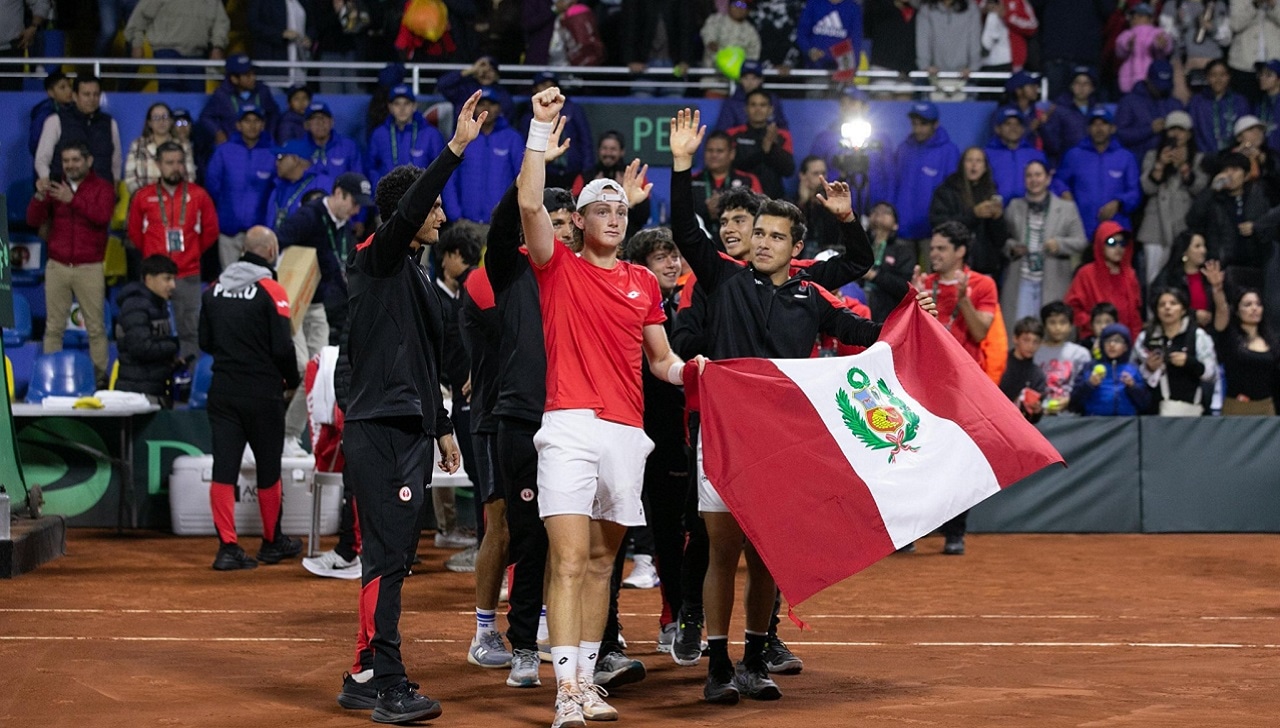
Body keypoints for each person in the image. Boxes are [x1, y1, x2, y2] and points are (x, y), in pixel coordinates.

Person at [518, 89, 691, 728]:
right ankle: (563, 692)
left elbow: (662, 362)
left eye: (621, 208)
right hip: (568, 426)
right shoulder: (555, 266)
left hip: (627, 433)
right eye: (604, 208)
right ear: (582, 218)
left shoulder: (645, 283)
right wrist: (538, 130)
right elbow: (531, 202)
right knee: (566, 560)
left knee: (600, 564)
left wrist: (697, 372)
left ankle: (587, 682)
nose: (616, 217)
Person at [333, 93, 484, 725]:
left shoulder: (420, 277)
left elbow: (425, 364)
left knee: (392, 555)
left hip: (409, 427)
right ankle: (389, 682)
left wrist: (443, 426)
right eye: (432, 207)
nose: (441, 216)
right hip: (383, 431)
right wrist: (454, 150)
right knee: (390, 558)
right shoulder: (378, 258)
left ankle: (366, 671)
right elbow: (412, 209)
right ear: (406, 212)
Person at [198, 225, 301, 572]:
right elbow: (283, 347)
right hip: (263, 394)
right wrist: (293, 380)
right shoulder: (272, 290)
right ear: (271, 251)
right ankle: (272, 543)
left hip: (223, 392)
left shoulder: (214, 290)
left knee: (223, 469)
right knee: (269, 469)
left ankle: (227, 547)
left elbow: (204, 342)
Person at [917, 220, 998, 556]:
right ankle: (912, 529)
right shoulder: (925, 282)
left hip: (965, 382)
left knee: (959, 460)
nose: (933, 254)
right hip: (927, 378)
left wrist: (963, 299)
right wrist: (915, 300)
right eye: (932, 248)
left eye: (941, 249)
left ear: (960, 251)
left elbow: (980, 332)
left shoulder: (982, 284)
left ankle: (955, 532)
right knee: (918, 456)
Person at [278, 173, 372, 455]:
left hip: (317, 305)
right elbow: (278, 243)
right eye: (354, 203)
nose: (357, 211)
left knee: (318, 372)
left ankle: (287, 435)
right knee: (300, 365)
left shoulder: (343, 226)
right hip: (294, 301)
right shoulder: (309, 217)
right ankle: (277, 429)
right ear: (339, 194)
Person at [25, 143, 116, 384]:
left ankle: (99, 381)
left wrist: (72, 199)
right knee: (53, 328)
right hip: (58, 266)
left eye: (75, 160)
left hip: (90, 267)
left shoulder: (103, 188)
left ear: (89, 161)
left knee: (96, 328)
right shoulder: (55, 188)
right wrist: (39, 196)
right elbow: (33, 220)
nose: (70, 165)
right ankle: (50, 377)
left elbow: (102, 217)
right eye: (66, 161)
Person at [127, 141, 219, 362]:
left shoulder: (199, 195)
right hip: (154, 277)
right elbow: (134, 233)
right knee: (153, 328)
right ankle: (159, 377)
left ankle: (190, 378)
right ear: (158, 164)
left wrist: (192, 253)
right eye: (169, 163)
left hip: (188, 273)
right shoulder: (143, 196)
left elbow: (211, 231)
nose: (175, 167)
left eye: (179, 162)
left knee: (191, 329)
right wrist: (153, 258)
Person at [1002, 160, 1088, 326]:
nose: (1034, 180)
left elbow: (1081, 242)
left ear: (1048, 178)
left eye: (1038, 175)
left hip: (1053, 279)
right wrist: (1012, 248)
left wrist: (1060, 244)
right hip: (1021, 280)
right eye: (1029, 175)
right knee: (1019, 331)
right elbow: (1002, 241)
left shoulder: (1067, 208)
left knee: (1050, 330)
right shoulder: (1014, 206)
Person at [1185, 151, 1274, 287]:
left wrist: (1256, 226)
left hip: (1255, 264)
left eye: (1235, 170)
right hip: (1222, 266)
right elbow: (1192, 220)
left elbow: (1271, 224)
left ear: (1246, 175)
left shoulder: (1259, 195)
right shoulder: (1213, 198)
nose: (1229, 174)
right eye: (1226, 170)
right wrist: (1211, 190)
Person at [1137, 111, 1206, 284]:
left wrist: (1184, 168)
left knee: (1183, 278)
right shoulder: (1152, 156)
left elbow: (1200, 189)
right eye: (1172, 130)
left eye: (1181, 130)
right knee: (1153, 279)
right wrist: (1160, 166)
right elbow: (1147, 188)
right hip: (1155, 228)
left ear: (1189, 134)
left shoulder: (1198, 158)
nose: (1176, 134)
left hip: (1183, 224)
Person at [1056, 107, 1142, 242]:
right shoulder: (1074, 155)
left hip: (1116, 230)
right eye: (1094, 124)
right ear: (1088, 129)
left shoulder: (1126, 157)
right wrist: (1064, 192)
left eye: (1104, 123)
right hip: (1080, 230)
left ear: (1112, 128)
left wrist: (1119, 203)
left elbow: (1135, 192)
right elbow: (1058, 181)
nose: (1099, 128)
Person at [206, 105, 276, 270]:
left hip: (260, 234)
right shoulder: (223, 152)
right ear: (238, 125)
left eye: (256, 121)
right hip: (230, 232)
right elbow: (212, 186)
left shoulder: (273, 153)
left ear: (263, 125)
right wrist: (227, 213)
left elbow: (276, 192)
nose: (251, 125)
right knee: (231, 282)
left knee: (258, 282)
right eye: (247, 121)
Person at [1206, 260, 1280, 414]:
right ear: (1238, 311)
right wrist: (1217, 289)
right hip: (1237, 406)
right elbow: (1221, 310)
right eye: (1247, 305)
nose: (1254, 308)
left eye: (1258, 304)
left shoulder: (1271, 340)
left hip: (1266, 406)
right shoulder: (1229, 335)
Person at [929, 146, 1010, 282]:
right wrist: (973, 214)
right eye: (969, 160)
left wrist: (997, 218)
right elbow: (939, 224)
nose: (974, 165)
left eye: (978, 161)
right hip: (953, 268)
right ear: (962, 165)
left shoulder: (992, 193)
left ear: (985, 167)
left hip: (984, 268)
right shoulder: (946, 191)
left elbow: (1000, 239)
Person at [443, 89, 524, 224]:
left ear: (499, 108)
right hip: (466, 223)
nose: (486, 109)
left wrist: (512, 215)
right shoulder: (462, 136)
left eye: (491, 104)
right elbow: (449, 177)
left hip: (501, 223)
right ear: (474, 107)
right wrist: (455, 215)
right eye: (481, 104)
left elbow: (523, 178)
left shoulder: (512, 138)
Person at [1135, 287, 1218, 415]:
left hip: (1190, 410)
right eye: (1162, 305)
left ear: (1183, 309)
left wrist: (1189, 362)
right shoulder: (1145, 338)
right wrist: (1148, 368)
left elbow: (1210, 373)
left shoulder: (1198, 336)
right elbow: (1132, 372)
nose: (1167, 308)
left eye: (1173, 303)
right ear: (1156, 311)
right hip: (1153, 413)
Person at [809, 86, 895, 209]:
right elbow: (814, 173)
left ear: (865, 107)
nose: (847, 106)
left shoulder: (881, 139)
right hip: (835, 207)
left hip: (873, 209)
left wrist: (885, 207)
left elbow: (890, 175)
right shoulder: (824, 138)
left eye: (853, 102)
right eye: (843, 103)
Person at [34, 75, 122, 189]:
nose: (92, 99)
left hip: (102, 197)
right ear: (75, 96)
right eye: (86, 94)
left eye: (96, 94)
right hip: (64, 197)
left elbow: (116, 160)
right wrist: (48, 184)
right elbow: (41, 160)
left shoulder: (110, 123)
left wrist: (114, 186)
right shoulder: (55, 121)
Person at [892, 101, 961, 246]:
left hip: (933, 231)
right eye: (914, 124)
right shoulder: (903, 148)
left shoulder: (949, 151)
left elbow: (952, 192)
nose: (917, 129)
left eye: (923, 124)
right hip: (903, 229)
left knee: (932, 269)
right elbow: (895, 183)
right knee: (903, 269)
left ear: (935, 124)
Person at [125, 0, 230, 92]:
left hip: (197, 54)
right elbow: (139, 18)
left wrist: (218, 46)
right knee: (169, 93)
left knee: (195, 98)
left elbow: (221, 22)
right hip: (166, 50)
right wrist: (136, 44)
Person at [115, 255, 180, 405]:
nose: (173, 285)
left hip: (153, 389)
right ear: (149, 279)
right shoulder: (135, 306)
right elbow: (141, 348)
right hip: (136, 395)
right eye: (167, 279)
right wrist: (172, 346)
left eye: (173, 279)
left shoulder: (158, 304)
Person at [1065, 221, 1144, 337]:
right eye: (1111, 242)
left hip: (1125, 342)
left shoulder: (1130, 274)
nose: (1118, 248)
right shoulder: (1086, 273)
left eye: (1122, 243)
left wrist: (1135, 340)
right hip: (1094, 339)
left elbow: (1135, 313)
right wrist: (1094, 324)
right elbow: (1072, 308)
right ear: (1100, 243)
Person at [518, 72, 593, 191]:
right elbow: (523, 146)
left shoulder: (572, 109)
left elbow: (585, 140)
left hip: (572, 171)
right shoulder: (528, 114)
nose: (548, 89)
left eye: (552, 86)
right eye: (543, 85)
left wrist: (587, 171)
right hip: (545, 172)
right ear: (535, 89)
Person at [367, 84, 445, 191]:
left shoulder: (431, 134)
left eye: (406, 103)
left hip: (420, 201)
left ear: (414, 106)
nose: (402, 109)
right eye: (397, 104)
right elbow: (371, 168)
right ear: (390, 107)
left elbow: (440, 171)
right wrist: (381, 191)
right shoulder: (379, 134)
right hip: (389, 201)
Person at [198, 55, 283, 150]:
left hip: (260, 145)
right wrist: (218, 132)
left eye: (253, 74)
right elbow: (206, 117)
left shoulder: (262, 91)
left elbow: (274, 112)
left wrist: (269, 133)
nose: (253, 78)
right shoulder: (222, 95)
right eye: (248, 76)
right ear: (234, 79)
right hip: (233, 145)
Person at [725, 90, 796, 199]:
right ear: (745, 109)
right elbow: (731, 166)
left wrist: (772, 148)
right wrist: (763, 151)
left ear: (770, 109)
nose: (758, 109)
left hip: (774, 199)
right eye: (753, 105)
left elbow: (788, 170)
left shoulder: (782, 135)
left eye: (763, 105)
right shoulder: (733, 134)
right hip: (741, 197)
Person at [1070, 322, 1152, 415]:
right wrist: (1089, 384)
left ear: (1125, 347)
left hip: (1127, 423)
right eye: (1107, 340)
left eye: (1117, 340)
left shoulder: (1133, 369)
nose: (1112, 344)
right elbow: (1074, 401)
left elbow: (1145, 403)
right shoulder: (1090, 367)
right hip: (1094, 422)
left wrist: (1133, 387)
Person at [691, 132, 763, 233]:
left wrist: (723, 210)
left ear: (732, 154)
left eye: (719, 151)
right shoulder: (691, 181)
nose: (714, 155)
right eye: (710, 150)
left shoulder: (748, 181)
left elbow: (759, 215)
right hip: (700, 242)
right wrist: (706, 212)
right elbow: (681, 217)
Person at [1115, 59, 1184, 160]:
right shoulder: (1129, 101)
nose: (1161, 90)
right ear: (1147, 79)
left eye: (1165, 86)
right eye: (1158, 86)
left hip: (1168, 164)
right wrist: (1149, 129)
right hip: (1136, 161)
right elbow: (1120, 134)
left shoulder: (1175, 104)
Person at [860, 201, 918, 323]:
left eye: (886, 212)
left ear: (895, 225)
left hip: (888, 311)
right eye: (875, 211)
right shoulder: (862, 244)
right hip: (858, 305)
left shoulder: (903, 249)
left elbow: (904, 286)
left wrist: (874, 276)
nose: (879, 214)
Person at [125, 102, 197, 196]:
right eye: (156, 118)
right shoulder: (137, 145)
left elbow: (190, 178)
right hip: (143, 202)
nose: (161, 121)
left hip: (176, 203)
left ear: (171, 121)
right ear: (149, 123)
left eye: (165, 117)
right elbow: (130, 179)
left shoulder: (183, 146)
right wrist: (145, 199)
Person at [915, 0, 983, 99]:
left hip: (965, 76)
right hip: (934, 76)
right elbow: (923, 39)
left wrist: (973, 67)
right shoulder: (926, 10)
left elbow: (974, 39)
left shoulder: (971, 9)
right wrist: (925, 66)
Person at [1036, 301, 1093, 414]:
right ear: (1044, 325)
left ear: (1071, 326)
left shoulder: (1080, 353)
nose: (1057, 327)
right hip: (1039, 414)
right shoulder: (1035, 351)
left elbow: (1086, 385)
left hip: (1072, 414)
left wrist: (1070, 400)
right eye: (1052, 322)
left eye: (1063, 322)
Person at [1152, 232, 1216, 325]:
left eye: (1204, 246)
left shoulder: (1208, 275)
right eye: (1197, 246)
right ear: (1185, 251)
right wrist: (1193, 314)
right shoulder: (1169, 277)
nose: (1203, 250)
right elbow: (1158, 303)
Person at [985, 106, 1049, 201]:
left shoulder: (1036, 154)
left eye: (1017, 124)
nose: (1013, 128)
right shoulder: (985, 154)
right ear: (997, 129)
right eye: (1008, 124)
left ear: (1023, 129)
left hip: (1030, 210)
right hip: (996, 211)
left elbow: (1050, 181)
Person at [1187, 59, 1250, 154]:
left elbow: (1245, 131)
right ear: (1207, 77)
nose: (1218, 79)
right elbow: (1193, 130)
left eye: (1223, 75)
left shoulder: (1240, 101)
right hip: (1204, 155)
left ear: (1229, 77)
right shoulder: (1197, 101)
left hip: (1233, 155)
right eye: (1213, 75)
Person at [700, 0, 762, 95]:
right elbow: (709, 40)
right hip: (714, 82)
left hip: (740, 86)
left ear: (748, 11)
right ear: (729, 6)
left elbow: (753, 57)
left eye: (744, 5)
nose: (739, 8)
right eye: (736, 4)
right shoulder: (715, 20)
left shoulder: (751, 31)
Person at [267, 138, 331, 230]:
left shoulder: (322, 185)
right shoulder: (278, 187)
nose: (276, 163)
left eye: (280, 157)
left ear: (295, 159)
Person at [1042, 66, 1100, 165]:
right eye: (1077, 83)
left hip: (1095, 162)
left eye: (1086, 83)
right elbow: (1053, 145)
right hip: (1068, 163)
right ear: (1071, 86)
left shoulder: (1099, 110)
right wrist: (1045, 125)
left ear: (1092, 88)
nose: (1081, 87)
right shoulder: (1059, 110)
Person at [248, 0, 311, 88]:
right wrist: (281, 34)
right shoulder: (262, 2)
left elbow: (312, 24)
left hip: (299, 63)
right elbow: (253, 25)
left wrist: (309, 38)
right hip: (273, 62)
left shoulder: (304, 2)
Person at [713, 61, 791, 132]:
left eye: (754, 78)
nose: (750, 83)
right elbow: (722, 132)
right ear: (740, 80)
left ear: (761, 80)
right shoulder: (731, 103)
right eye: (746, 78)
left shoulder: (772, 100)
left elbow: (783, 128)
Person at [1115, 3, 1173, 94]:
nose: (1135, 18)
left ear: (1151, 19)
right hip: (1130, 76)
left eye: (1141, 16)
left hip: (1151, 78)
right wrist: (1127, 45)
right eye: (1133, 16)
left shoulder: (1156, 32)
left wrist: (1160, 44)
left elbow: (1165, 46)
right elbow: (1119, 48)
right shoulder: (1128, 33)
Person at [999, 316, 1048, 423]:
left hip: (1019, 425)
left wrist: (1037, 410)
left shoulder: (1038, 375)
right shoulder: (999, 363)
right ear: (1015, 339)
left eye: (1036, 342)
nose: (1030, 346)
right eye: (1026, 340)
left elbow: (1036, 418)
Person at [438, 56, 514, 121]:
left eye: (490, 70)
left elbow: (507, 117)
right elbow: (443, 85)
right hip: (465, 133)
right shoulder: (464, 91)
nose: (486, 74)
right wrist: (471, 70)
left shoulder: (502, 94)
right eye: (482, 70)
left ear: (497, 76)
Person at [797, 0, 863, 70]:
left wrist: (849, 68)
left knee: (844, 78)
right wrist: (810, 50)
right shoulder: (813, 3)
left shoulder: (853, 8)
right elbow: (801, 34)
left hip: (843, 65)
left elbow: (856, 41)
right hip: (815, 66)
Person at [305, 102, 364, 180]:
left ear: (332, 122)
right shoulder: (297, 149)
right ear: (306, 125)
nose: (320, 123)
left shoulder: (349, 146)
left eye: (323, 118)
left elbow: (358, 179)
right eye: (314, 119)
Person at [797, 156, 841, 255]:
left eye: (824, 173)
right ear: (803, 176)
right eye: (816, 174)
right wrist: (803, 203)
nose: (822, 178)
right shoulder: (791, 203)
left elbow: (835, 237)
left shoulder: (830, 204)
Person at [28, 70, 71, 159]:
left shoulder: (73, 110)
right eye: (62, 87)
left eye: (69, 86)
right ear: (50, 92)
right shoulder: (44, 113)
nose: (69, 90)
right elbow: (35, 143)